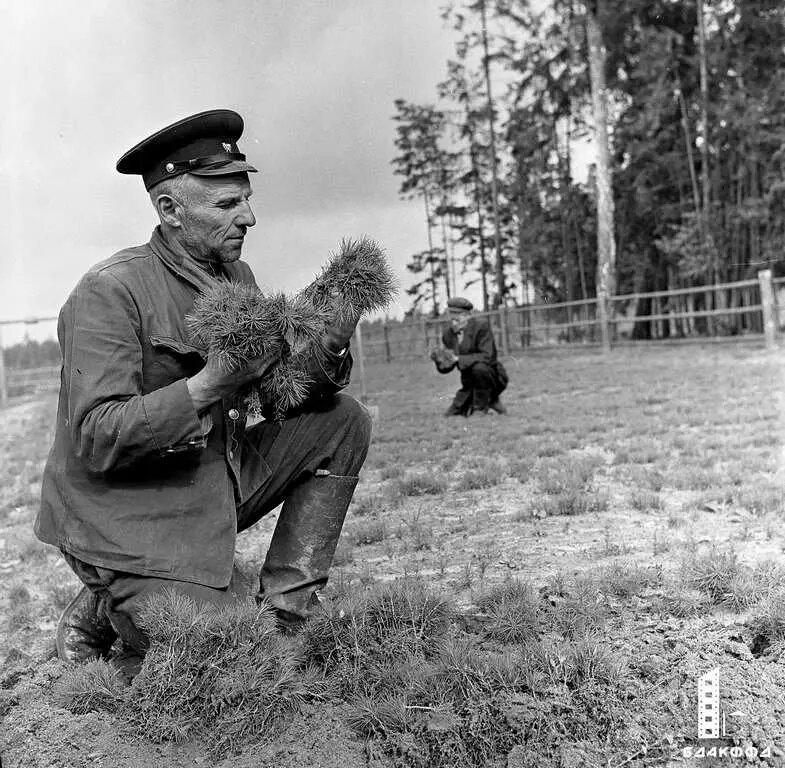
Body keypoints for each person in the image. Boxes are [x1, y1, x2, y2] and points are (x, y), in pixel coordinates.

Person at [34, 109, 372, 674]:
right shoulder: (110, 291)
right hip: (125, 517)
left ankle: (289, 614)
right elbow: (96, 436)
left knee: (344, 420)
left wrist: (329, 347)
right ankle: (102, 601)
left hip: (210, 487)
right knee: (215, 659)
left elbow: (278, 396)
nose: (250, 218)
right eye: (226, 205)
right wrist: (210, 382)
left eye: (246, 199)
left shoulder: (236, 279)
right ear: (169, 210)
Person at [433, 297, 508, 416]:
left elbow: (488, 356)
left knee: (479, 368)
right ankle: (492, 400)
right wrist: (440, 362)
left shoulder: (481, 326)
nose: (454, 323)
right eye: (451, 319)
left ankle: (481, 407)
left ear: (468, 316)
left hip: (491, 377)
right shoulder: (448, 334)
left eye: (457, 319)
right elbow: (448, 367)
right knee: (451, 414)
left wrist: (458, 359)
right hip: (469, 382)